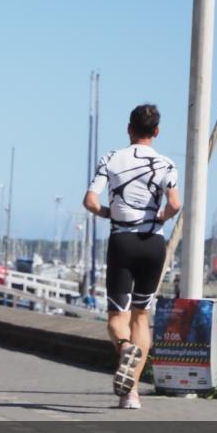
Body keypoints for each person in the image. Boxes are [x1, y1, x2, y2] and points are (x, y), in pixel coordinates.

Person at [83, 103, 181, 410]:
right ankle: (132, 395)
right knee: (142, 317)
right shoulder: (166, 164)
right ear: (156, 131)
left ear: (129, 128)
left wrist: (110, 213)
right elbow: (175, 205)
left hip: (122, 241)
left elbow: (89, 200)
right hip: (153, 244)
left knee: (117, 317)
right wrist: (161, 218)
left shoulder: (111, 158)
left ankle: (125, 349)